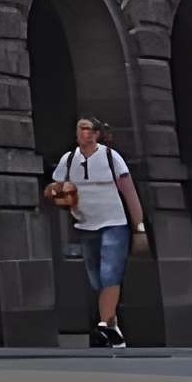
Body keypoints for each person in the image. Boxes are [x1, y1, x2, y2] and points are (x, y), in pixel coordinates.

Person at [50, 116, 148, 346]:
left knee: (109, 274)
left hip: (114, 223)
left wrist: (139, 228)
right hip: (86, 226)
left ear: (95, 134)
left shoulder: (110, 157)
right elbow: (56, 188)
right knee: (96, 280)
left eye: (86, 129)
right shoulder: (69, 159)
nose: (82, 133)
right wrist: (61, 195)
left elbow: (129, 193)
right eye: (79, 129)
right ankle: (112, 324)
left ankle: (104, 325)